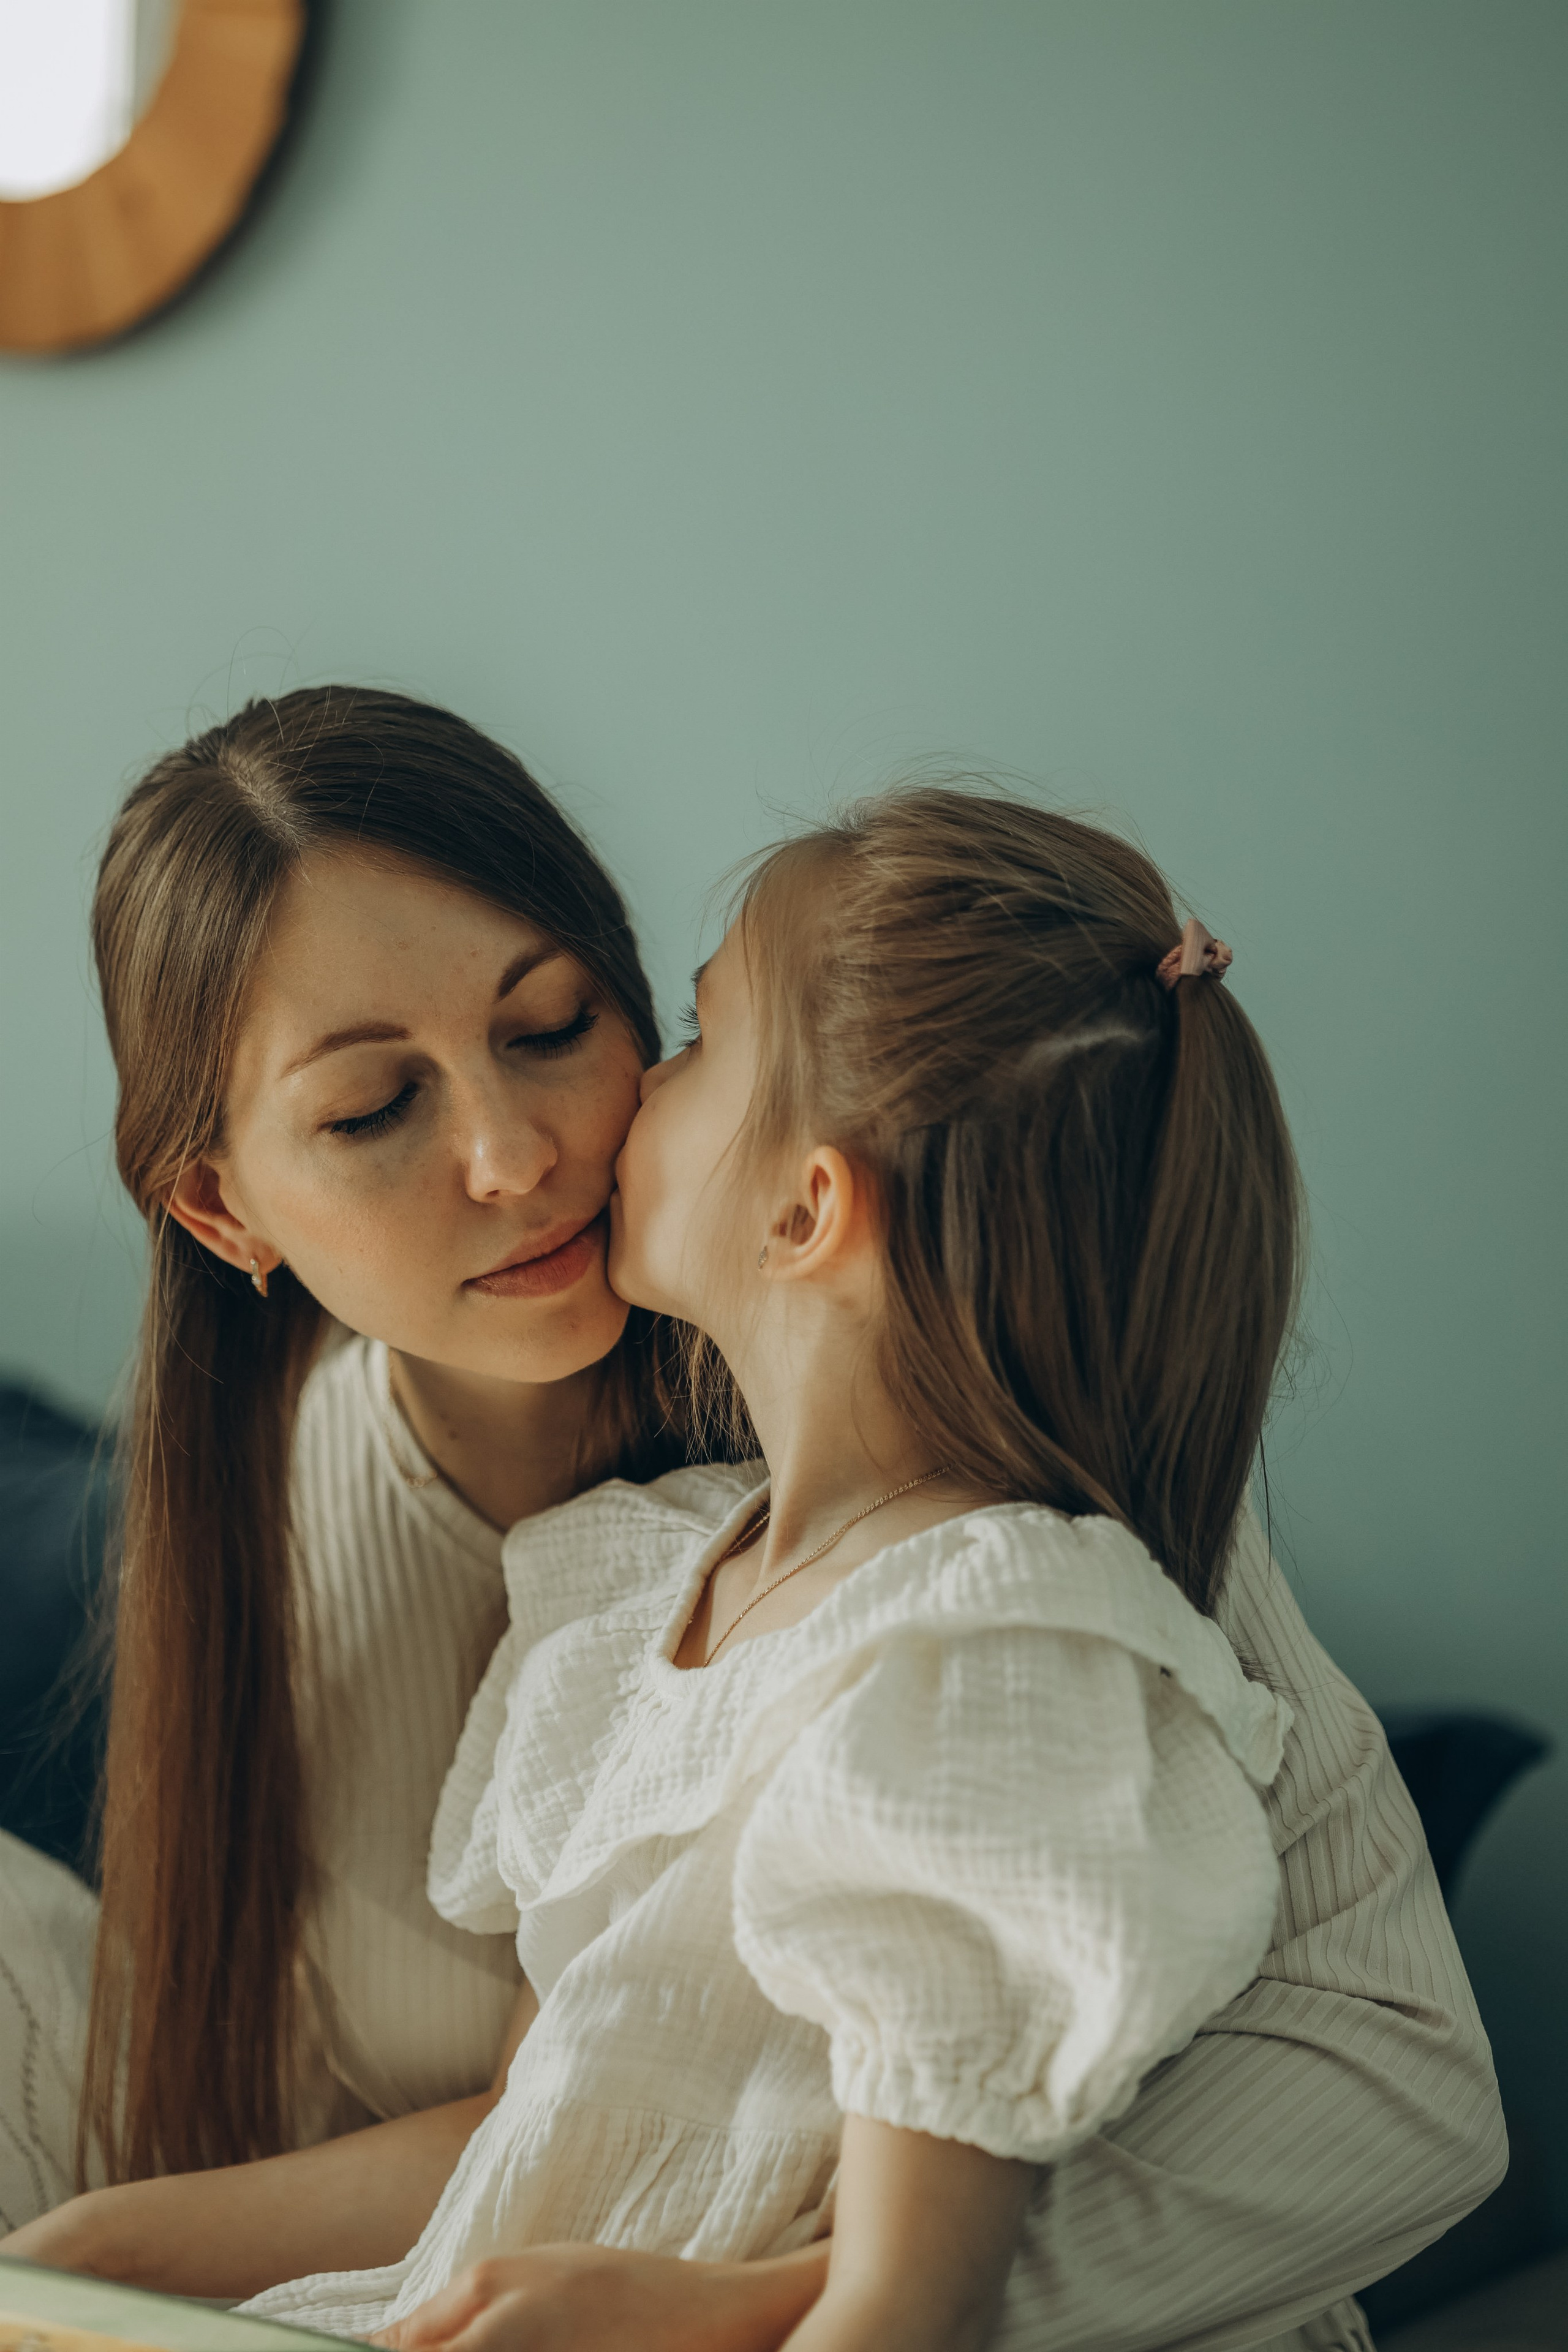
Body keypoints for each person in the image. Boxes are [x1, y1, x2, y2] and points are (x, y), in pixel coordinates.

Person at [5, 782, 1506, 2350]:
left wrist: (756, 2311)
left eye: (556, 1028)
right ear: (221, 1206)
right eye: (373, 1108)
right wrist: (100, 2257)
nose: (516, 1158)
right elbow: (551, 2122)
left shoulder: (1021, 1560)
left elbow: (1400, 2088)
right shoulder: (606, 1593)